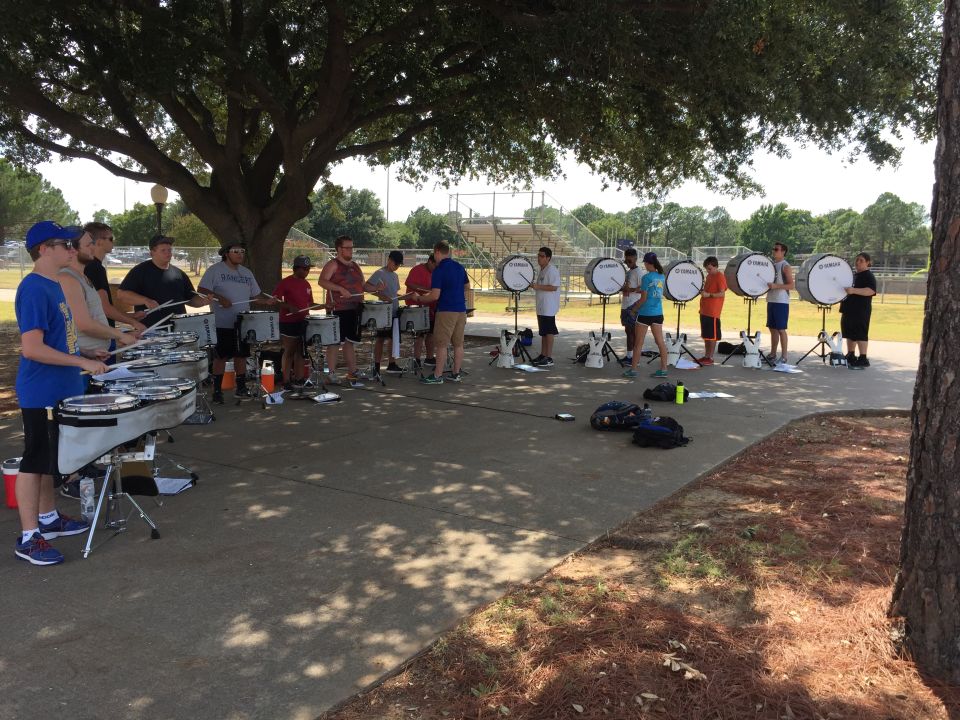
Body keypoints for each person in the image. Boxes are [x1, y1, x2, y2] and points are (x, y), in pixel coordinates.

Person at [13, 221, 109, 566]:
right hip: (42, 391)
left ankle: (50, 519)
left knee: (48, 462)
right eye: (64, 244)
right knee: (33, 462)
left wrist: (86, 356)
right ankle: (28, 538)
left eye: (72, 244)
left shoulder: (55, 285)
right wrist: (78, 360)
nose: (73, 249)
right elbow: (32, 348)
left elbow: (58, 341)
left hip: (61, 388)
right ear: (44, 249)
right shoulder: (35, 288)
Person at [198, 242, 276, 403]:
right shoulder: (215, 270)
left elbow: (256, 295)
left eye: (242, 251)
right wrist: (221, 298)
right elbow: (202, 289)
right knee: (221, 357)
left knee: (241, 356)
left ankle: (241, 388)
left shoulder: (246, 273)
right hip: (222, 322)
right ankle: (217, 391)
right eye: (236, 251)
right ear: (226, 253)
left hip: (242, 322)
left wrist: (266, 302)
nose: (240, 254)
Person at [59, 229, 138, 359]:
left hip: (95, 356)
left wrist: (117, 336)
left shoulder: (83, 277)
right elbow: (84, 324)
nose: (93, 248)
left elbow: (95, 315)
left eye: (93, 243)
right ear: (72, 249)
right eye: (88, 245)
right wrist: (120, 335)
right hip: (82, 361)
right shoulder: (68, 278)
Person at [117, 235, 209, 328]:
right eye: (163, 250)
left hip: (179, 329)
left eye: (169, 250)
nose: (168, 253)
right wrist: (145, 300)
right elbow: (121, 294)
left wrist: (203, 301)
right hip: (150, 330)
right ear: (152, 253)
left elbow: (190, 299)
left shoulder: (179, 274)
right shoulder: (140, 271)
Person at [317, 235, 375, 384]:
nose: (351, 250)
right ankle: (331, 374)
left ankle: (352, 372)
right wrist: (340, 289)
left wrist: (377, 289)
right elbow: (322, 281)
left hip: (354, 309)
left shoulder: (355, 266)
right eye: (347, 248)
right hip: (338, 309)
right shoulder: (333, 264)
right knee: (335, 342)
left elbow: (363, 285)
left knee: (350, 342)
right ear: (339, 249)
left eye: (352, 247)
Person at [416, 241, 469, 384]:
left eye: (434, 253)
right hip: (461, 309)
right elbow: (467, 286)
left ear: (437, 252)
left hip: (446, 310)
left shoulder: (439, 270)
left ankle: (438, 375)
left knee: (441, 344)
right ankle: (456, 373)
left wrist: (419, 298)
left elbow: (434, 296)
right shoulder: (459, 267)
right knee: (458, 344)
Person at [82, 222, 146, 333]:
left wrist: (131, 316)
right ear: (100, 242)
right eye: (111, 239)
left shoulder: (91, 266)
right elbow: (105, 308)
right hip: (99, 334)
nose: (113, 242)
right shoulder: (95, 268)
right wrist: (134, 323)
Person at [623, 252, 669, 379]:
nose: (644, 265)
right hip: (658, 313)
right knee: (660, 342)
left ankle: (633, 370)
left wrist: (633, 310)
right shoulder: (661, 276)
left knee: (638, 343)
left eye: (645, 263)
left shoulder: (646, 278)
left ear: (649, 263)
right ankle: (664, 369)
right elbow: (655, 292)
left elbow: (643, 299)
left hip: (645, 314)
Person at [273, 255, 315, 390]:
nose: (307, 271)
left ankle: (299, 378)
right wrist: (289, 306)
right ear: (296, 269)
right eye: (305, 269)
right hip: (288, 321)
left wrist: (326, 306)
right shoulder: (285, 282)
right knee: (289, 351)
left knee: (301, 351)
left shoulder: (307, 284)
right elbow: (276, 300)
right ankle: (286, 381)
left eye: (308, 269)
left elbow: (311, 303)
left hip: (303, 321)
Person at [365, 250, 404, 376]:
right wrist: (381, 295)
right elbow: (367, 287)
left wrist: (402, 297)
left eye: (399, 265)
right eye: (395, 264)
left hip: (394, 310)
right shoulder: (379, 273)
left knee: (393, 338)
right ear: (389, 260)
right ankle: (376, 365)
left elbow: (394, 294)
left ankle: (392, 364)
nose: (397, 267)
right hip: (383, 312)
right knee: (380, 338)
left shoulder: (395, 276)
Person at [840, 252, 877, 368]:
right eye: (857, 260)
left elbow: (871, 290)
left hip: (861, 310)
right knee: (849, 333)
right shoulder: (853, 275)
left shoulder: (868, 275)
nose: (858, 262)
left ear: (868, 262)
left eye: (861, 260)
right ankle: (851, 354)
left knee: (860, 333)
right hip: (848, 309)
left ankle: (863, 358)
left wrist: (854, 291)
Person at [404, 253, 437, 370]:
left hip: (430, 307)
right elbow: (409, 283)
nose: (436, 268)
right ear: (430, 262)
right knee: (419, 335)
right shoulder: (417, 269)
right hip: (417, 307)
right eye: (435, 265)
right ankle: (416, 359)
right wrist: (427, 290)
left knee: (431, 333)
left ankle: (429, 358)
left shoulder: (435, 272)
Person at [529, 246, 561, 366]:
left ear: (548, 258)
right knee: (543, 332)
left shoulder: (552, 270)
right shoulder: (542, 270)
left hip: (549, 306)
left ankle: (549, 357)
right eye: (538, 255)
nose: (539, 258)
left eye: (542, 256)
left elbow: (554, 287)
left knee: (549, 332)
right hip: (541, 305)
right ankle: (543, 354)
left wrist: (537, 286)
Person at [766, 242, 794, 366]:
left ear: (783, 252)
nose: (774, 251)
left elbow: (791, 285)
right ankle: (772, 354)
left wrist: (776, 286)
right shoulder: (772, 265)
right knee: (772, 329)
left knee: (781, 329)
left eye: (776, 249)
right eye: (773, 249)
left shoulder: (785, 266)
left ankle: (784, 356)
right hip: (771, 299)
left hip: (781, 301)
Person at [698, 256, 727, 365]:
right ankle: (706, 356)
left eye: (709, 268)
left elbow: (722, 293)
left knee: (712, 336)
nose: (708, 271)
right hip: (704, 310)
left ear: (715, 266)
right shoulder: (709, 276)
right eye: (707, 269)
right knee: (706, 335)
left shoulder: (720, 276)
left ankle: (710, 357)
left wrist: (708, 294)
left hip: (713, 311)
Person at [619, 248, 644, 365]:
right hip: (625, 304)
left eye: (630, 261)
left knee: (632, 332)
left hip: (633, 305)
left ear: (635, 259)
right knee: (628, 331)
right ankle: (629, 356)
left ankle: (634, 358)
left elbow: (643, 290)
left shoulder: (639, 272)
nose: (628, 263)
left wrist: (631, 290)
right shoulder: (628, 272)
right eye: (626, 260)